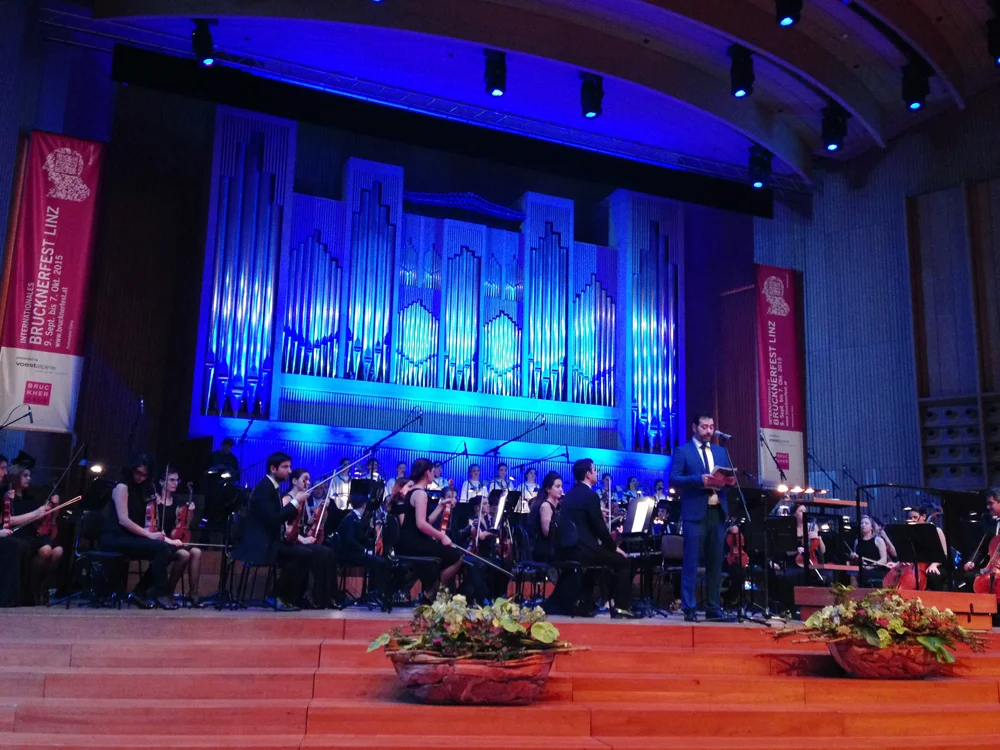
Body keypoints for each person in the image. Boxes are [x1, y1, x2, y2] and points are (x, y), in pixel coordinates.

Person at [548, 458, 635, 618]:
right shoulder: (591, 496)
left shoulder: (569, 495)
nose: (597, 473)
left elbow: (580, 519)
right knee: (623, 561)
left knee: (596, 563)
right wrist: (614, 547)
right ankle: (622, 607)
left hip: (568, 549)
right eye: (595, 470)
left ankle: (586, 602)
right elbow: (599, 528)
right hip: (584, 550)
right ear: (588, 474)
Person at [100, 454, 188, 609]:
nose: (140, 477)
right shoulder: (122, 487)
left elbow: (147, 521)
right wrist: (149, 535)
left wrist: (165, 538)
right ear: (130, 470)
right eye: (137, 473)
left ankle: (139, 591)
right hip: (115, 537)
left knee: (167, 550)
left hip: (131, 537)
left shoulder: (142, 490)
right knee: (161, 549)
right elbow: (123, 520)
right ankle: (160, 592)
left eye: (144, 475)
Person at [669, 412, 730, 622]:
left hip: (717, 511)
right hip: (694, 513)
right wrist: (698, 479)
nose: (709, 431)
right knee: (691, 562)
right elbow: (673, 478)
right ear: (694, 427)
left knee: (715, 562)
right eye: (704, 427)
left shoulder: (721, 452)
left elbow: (727, 477)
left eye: (711, 427)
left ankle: (714, 606)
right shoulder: (683, 451)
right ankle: (689, 607)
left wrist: (728, 481)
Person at [232, 452, 306, 611]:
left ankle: (284, 597)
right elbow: (274, 518)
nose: (289, 471)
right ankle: (277, 597)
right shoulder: (264, 488)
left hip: (269, 540)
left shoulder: (272, 487)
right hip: (259, 544)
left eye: (289, 467)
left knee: (302, 554)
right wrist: (295, 501)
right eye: (285, 467)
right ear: (273, 468)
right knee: (300, 555)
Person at [396, 458, 463, 602]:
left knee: (447, 554)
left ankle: (432, 591)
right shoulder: (421, 494)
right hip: (413, 542)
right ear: (427, 473)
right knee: (457, 556)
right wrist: (442, 536)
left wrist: (440, 506)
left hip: (407, 540)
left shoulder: (412, 491)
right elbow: (421, 524)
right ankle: (431, 593)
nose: (434, 474)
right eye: (433, 471)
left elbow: (426, 521)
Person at [5, 464, 64, 604]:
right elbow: (9, 520)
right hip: (17, 535)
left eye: (30, 476)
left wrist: (53, 507)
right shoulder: (8, 498)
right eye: (25, 476)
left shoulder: (30, 498)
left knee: (58, 551)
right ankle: (32, 591)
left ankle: (42, 588)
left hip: (32, 535)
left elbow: (41, 519)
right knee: (46, 550)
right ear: (15, 477)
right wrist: (35, 513)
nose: (29, 478)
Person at [280, 468, 337, 608]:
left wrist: (321, 510)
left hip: (299, 539)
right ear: (294, 481)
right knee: (316, 554)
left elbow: (308, 522)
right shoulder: (287, 499)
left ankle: (324, 598)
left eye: (309, 480)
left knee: (328, 553)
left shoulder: (303, 499)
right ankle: (306, 595)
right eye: (304, 479)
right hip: (289, 542)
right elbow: (285, 528)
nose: (308, 482)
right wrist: (302, 539)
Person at [156, 469, 202, 604]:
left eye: (177, 480)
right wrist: (170, 540)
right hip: (160, 541)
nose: (175, 483)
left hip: (175, 540)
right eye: (172, 480)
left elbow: (184, 524)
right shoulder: (156, 501)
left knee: (197, 551)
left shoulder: (177, 502)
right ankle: (168, 591)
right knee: (184, 554)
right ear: (161, 482)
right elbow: (153, 527)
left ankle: (193, 592)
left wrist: (191, 512)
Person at [337, 493, 389, 604]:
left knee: (379, 559)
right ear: (364, 505)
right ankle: (376, 593)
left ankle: (373, 592)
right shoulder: (351, 519)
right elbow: (350, 540)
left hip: (355, 551)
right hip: (349, 554)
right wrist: (365, 550)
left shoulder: (357, 518)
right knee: (380, 562)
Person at [905, 504, 948, 590]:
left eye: (915, 517)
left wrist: (934, 564)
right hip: (918, 566)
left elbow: (945, 554)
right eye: (910, 518)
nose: (912, 520)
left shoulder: (937, 531)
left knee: (932, 575)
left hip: (937, 564)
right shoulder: (910, 533)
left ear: (924, 516)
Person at [963, 489, 1000, 576]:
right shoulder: (991, 523)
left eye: (991, 503)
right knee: (969, 576)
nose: (988, 507)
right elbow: (981, 548)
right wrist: (972, 561)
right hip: (991, 567)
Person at [528, 471, 563, 563]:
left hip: (554, 547)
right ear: (548, 489)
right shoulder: (546, 506)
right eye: (557, 486)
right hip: (546, 550)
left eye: (561, 486)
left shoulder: (558, 505)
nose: (561, 489)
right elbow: (547, 533)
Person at [852, 515, 888, 587]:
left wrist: (870, 566)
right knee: (852, 573)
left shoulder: (878, 540)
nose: (863, 525)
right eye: (862, 523)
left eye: (866, 523)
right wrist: (854, 557)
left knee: (857, 574)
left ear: (872, 527)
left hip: (876, 569)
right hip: (861, 568)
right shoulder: (857, 541)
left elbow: (883, 560)